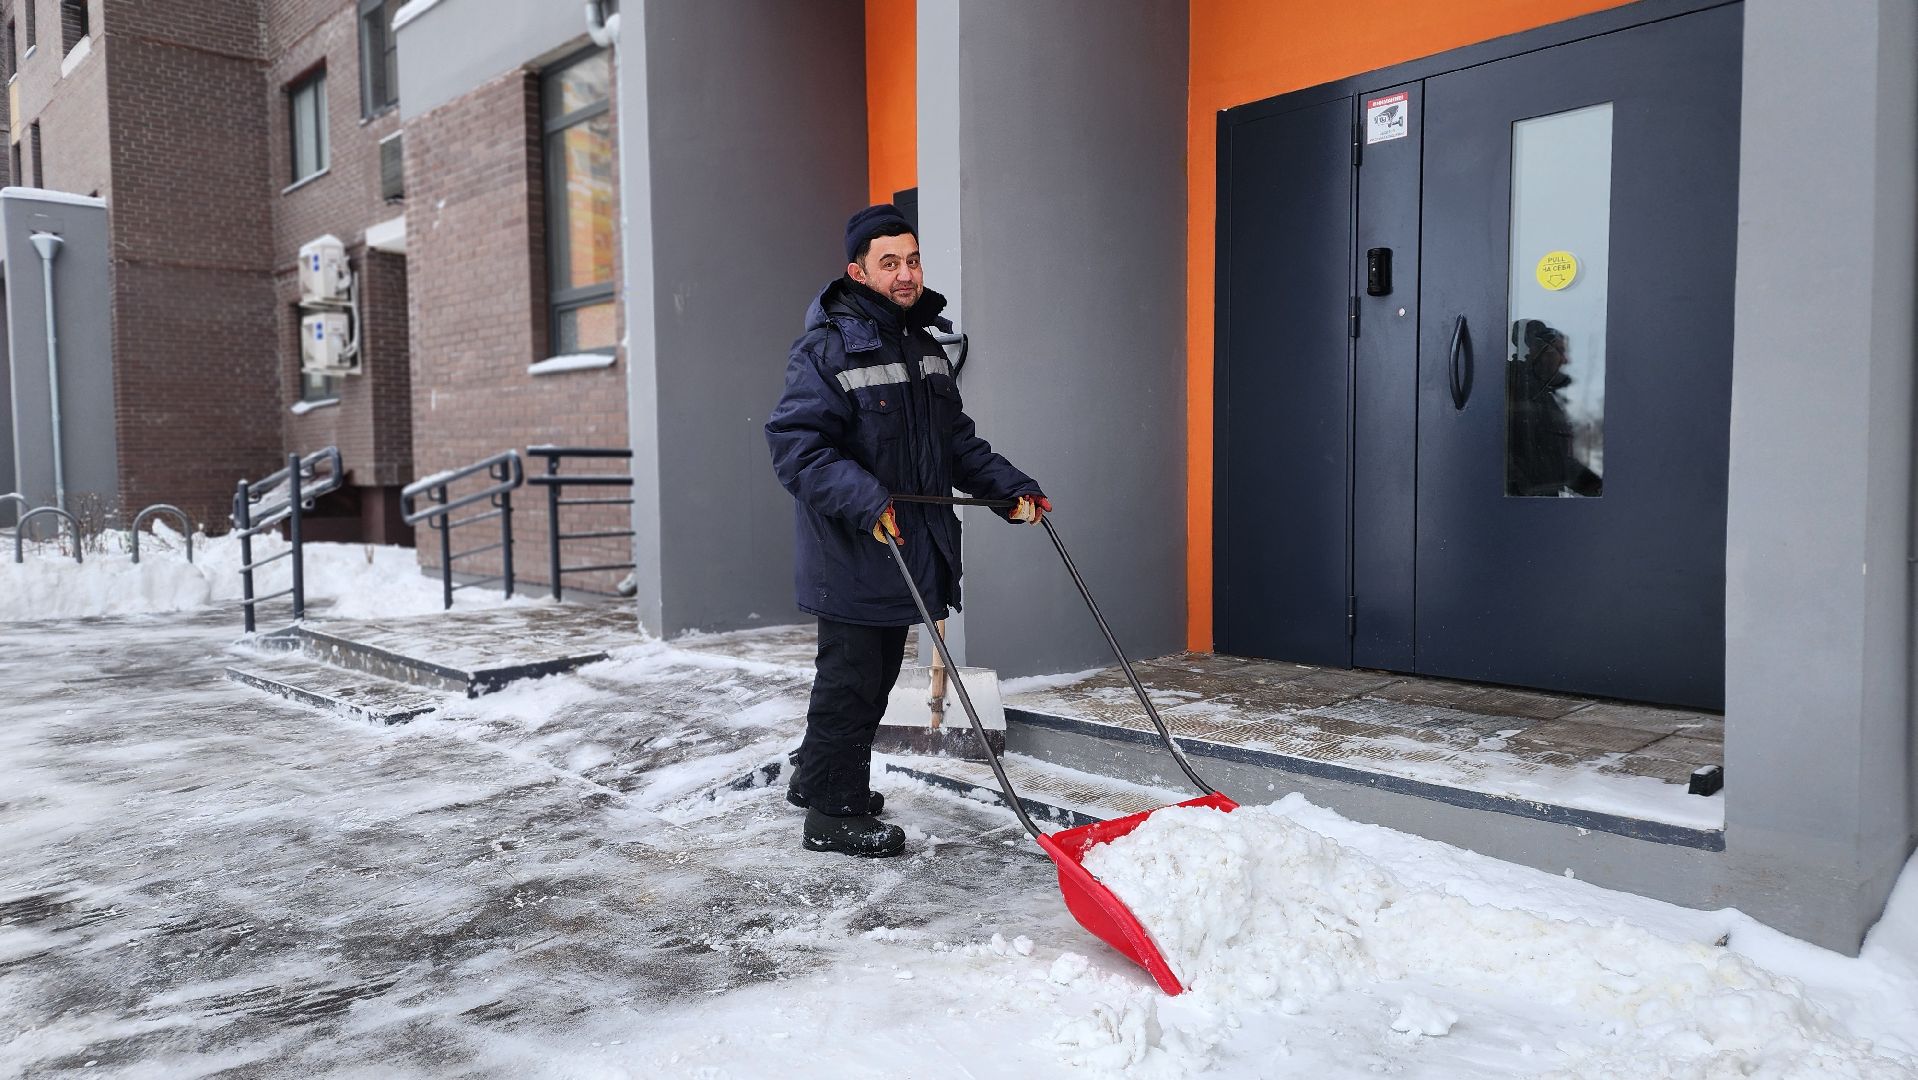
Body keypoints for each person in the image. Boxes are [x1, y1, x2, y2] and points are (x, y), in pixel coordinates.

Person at [765, 204, 1049, 858]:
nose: (905, 274)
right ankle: (832, 813)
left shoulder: (923, 348)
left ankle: (817, 778)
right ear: (858, 272)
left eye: (912, 260)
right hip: (853, 549)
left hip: (903, 550)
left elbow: (955, 443)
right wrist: (866, 500)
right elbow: (797, 448)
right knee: (852, 680)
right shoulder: (825, 349)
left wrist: (1008, 488)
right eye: (888, 262)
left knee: (872, 673)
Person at [1505, 319, 1602, 498]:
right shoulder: (1513, 389)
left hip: (1540, 502)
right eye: (1560, 351)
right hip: (1522, 504)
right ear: (1539, 350)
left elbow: (1557, 463)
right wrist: (1522, 488)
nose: (1565, 360)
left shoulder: (1542, 397)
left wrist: (1596, 487)